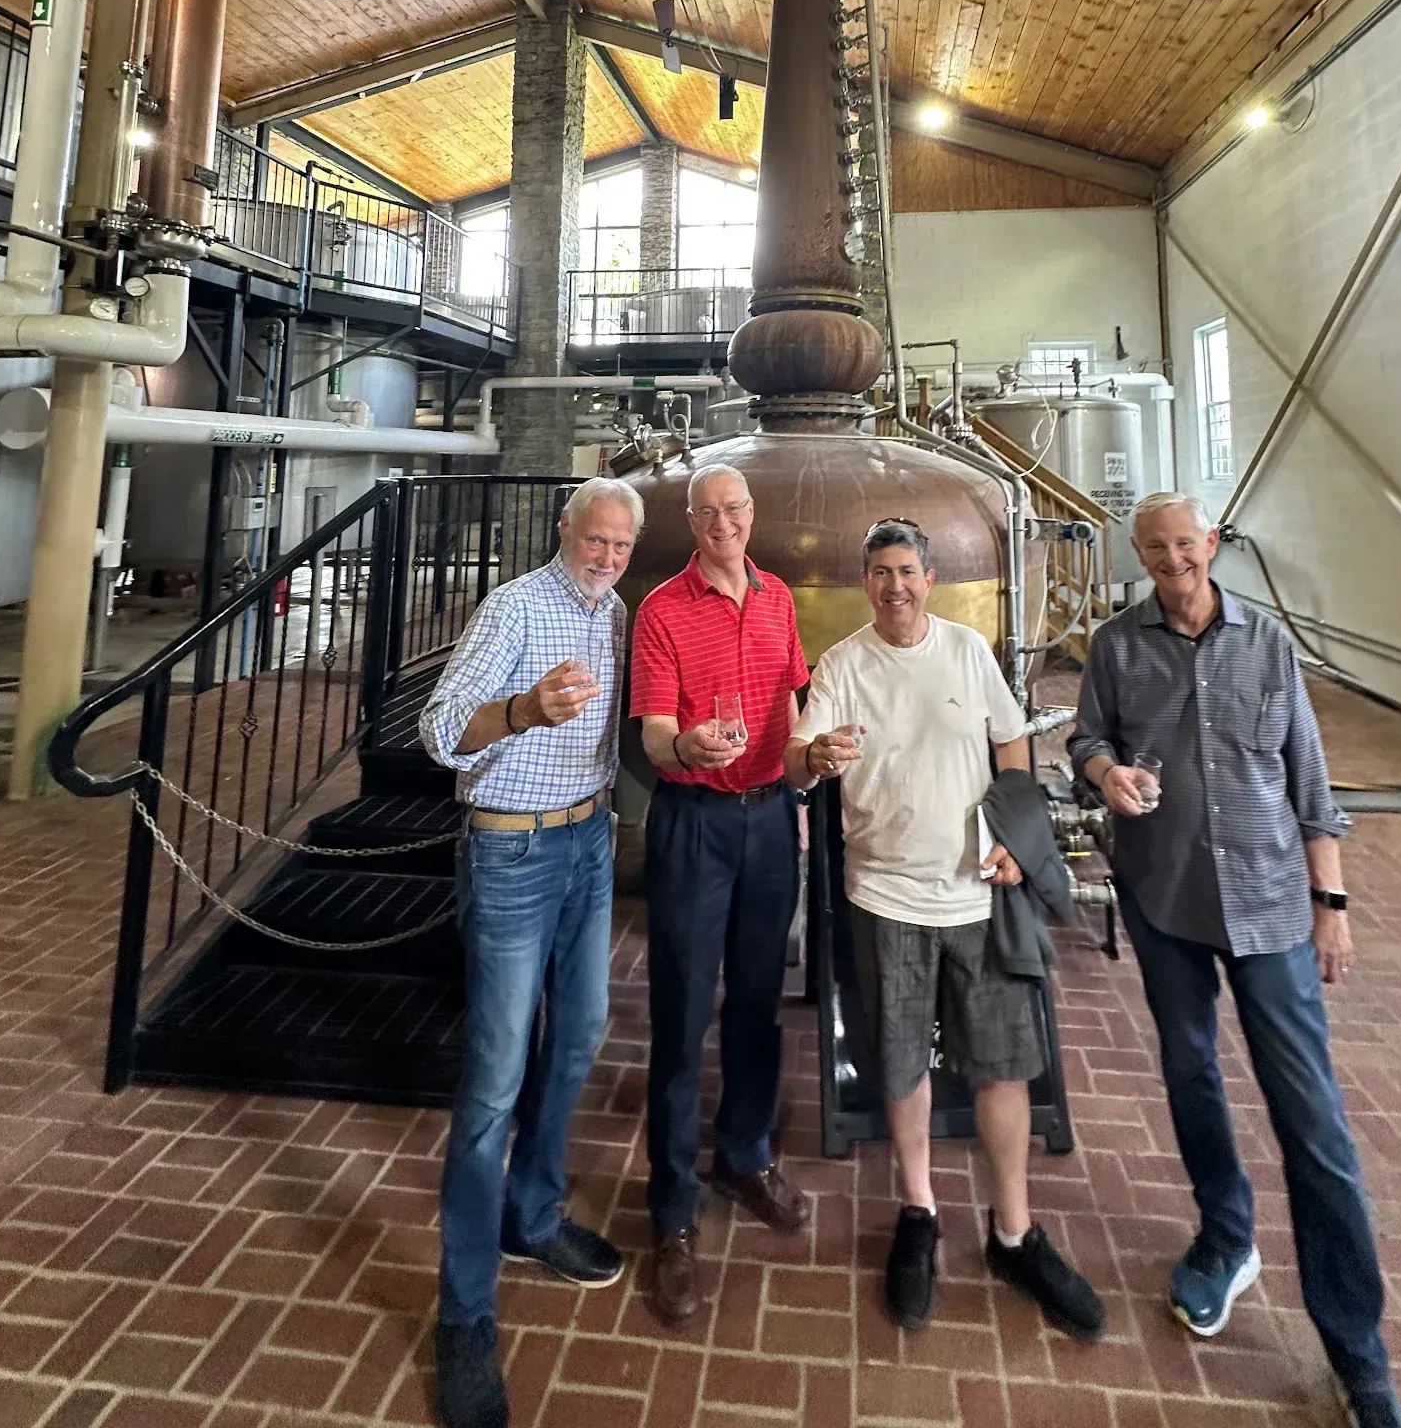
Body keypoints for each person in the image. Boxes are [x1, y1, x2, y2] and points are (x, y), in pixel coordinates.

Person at [1068, 491, 1401, 1428]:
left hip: (1269, 905)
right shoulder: (1117, 645)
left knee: (1314, 1121)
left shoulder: (1267, 643)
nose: (1173, 560)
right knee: (1190, 1072)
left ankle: (1359, 1356)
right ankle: (1225, 1238)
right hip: (1164, 897)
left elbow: (1310, 778)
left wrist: (1331, 904)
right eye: (1155, 548)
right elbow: (1087, 737)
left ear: (1210, 543)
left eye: (1185, 543)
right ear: (1138, 553)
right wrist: (1105, 774)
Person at [785, 518, 1105, 1343]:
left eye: (907, 571)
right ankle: (919, 1210)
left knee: (1003, 1066)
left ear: (928, 579)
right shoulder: (843, 665)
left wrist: (1015, 837)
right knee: (900, 1064)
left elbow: (1012, 746)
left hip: (977, 898)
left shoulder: (967, 651)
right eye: (880, 572)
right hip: (885, 896)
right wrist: (816, 757)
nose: (894, 586)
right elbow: (797, 757)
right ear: (866, 582)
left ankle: (1014, 1231)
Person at [419, 476, 644, 1428]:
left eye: (621, 547)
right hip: (511, 849)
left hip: (589, 840)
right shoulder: (512, 608)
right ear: (564, 531)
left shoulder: (617, 613)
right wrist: (520, 711)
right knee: (495, 1079)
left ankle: (533, 1215)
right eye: (595, 540)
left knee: (581, 1032)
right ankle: (464, 1314)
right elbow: (438, 731)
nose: (606, 558)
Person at [630, 462, 810, 1325]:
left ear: (752, 512)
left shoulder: (778, 599)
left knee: (757, 1002)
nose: (723, 524)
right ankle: (672, 1207)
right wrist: (685, 748)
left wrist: (807, 771)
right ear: (692, 521)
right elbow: (655, 735)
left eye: (734, 509)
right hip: (694, 822)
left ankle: (744, 1153)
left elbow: (793, 706)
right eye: (708, 513)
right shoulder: (662, 609)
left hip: (770, 818)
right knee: (682, 1009)